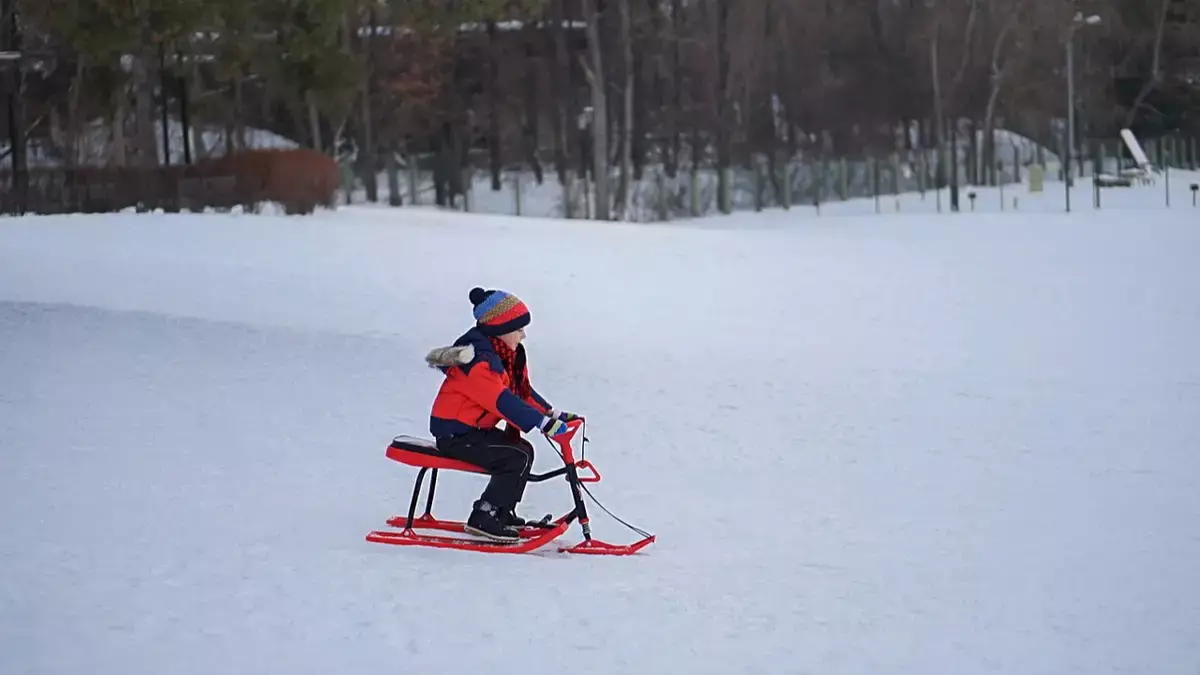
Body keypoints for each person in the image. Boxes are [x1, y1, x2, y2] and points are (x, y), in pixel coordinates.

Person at [424, 287, 583, 542]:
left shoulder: (507, 355)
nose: (523, 335)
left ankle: (502, 511)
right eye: (519, 329)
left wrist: (554, 414)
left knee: (523, 451)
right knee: (515, 456)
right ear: (501, 329)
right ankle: (484, 516)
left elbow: (520, 392)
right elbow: (502, 400)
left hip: (474, 430)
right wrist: (542, 423)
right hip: (455, 434)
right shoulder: (477, 362)